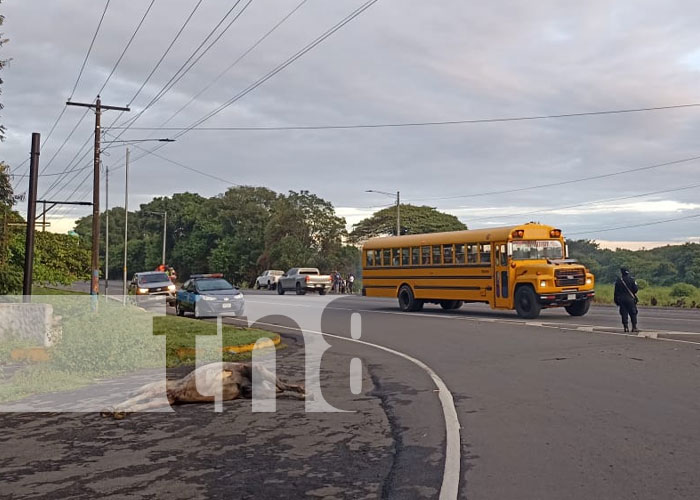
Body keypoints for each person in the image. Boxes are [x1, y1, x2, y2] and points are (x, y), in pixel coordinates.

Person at [614, 267, 639, 333]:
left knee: (624, 313)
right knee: (633, 313)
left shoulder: (618, 281)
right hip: (630, 299)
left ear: (621, 272)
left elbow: (616, 292)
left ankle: (626, 327)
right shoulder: (632, 280)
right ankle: (634, 327)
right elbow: (636, 289)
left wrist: (616, 301)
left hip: (621, 300)